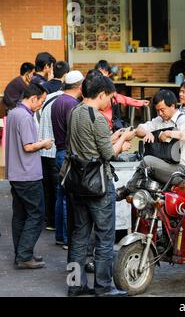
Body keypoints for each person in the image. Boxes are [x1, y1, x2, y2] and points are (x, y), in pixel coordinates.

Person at [67, 75, 134, 297]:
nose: (110, 103)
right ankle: (103, 287)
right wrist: (123, 141)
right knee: (105, 239)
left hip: (77, 182)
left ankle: (75, 285)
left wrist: (112, 137)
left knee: (78, 237)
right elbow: (107, 153)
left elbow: (90, 144)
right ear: (102, 94)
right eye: (110, 98)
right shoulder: (96, 117)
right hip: (98, 185)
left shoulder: (74, 112)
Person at [6, 83, 53, 269]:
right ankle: (24, 255)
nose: (41, 105)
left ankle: (21, 253)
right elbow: (28, 146)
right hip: (28, 174)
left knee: (20, 215)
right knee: (36, 214)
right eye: (41, 101)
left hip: (16, 173)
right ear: (33, 98)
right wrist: (44, 143)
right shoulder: (25, 117)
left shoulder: (12, 113)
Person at [51, 70, 85, 250]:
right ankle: (66, 238)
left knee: (61, 195)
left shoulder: (58, 101)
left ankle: (59, 235)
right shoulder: (73, 104)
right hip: (68, 153)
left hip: (59, 151)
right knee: (68, 199)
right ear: (80, 86)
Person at [134, 90, 185, 184]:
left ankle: (127, 189)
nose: (160, 113)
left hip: (180, 170)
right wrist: (147, 132)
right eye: (158, 111)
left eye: (162, 110)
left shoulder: (183, 120)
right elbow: (138, 130)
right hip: (162, 166)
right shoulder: (159, 120)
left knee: (147, 161)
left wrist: (168, 133)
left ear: (172, 106)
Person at [95, 61, 149, 130]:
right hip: (100, 125)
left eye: (105, 72)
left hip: (111, 125)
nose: (103, 74)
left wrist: (139, 102)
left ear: (108, 74)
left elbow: (121, 98)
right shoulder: (93, 89)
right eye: (100, 71)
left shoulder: (110, 90)